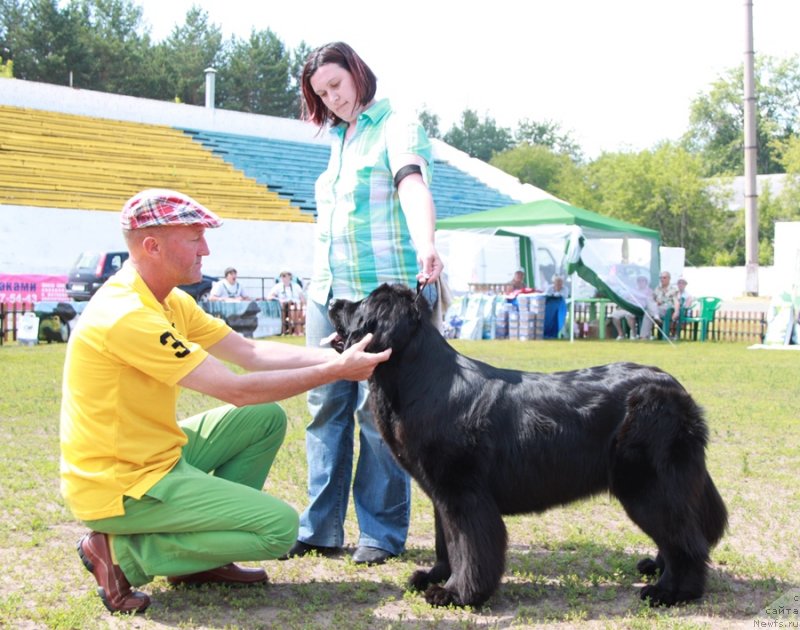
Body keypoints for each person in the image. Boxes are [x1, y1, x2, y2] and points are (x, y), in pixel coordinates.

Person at [60, 189, 391, 614]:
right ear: (152, 246)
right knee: (279, 529)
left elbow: (249, 354)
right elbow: (234, 388)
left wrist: (337, 355)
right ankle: (122, 556)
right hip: (120, 485)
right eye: (194, 237)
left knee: (264, 419)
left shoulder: (168, 299)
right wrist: (336, 371)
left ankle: (199, 561)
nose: (207, 248)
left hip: (152, 458)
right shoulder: (127, 314)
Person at [284, 41, 443, 567]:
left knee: (379, 416)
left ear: (357, 73)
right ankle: (320, 528)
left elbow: (410, 183)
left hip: (385, 302)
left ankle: (380, 532)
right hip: (329, 295)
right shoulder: (337, 138)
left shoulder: (396, 124)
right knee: (324, 408)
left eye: (337, 85)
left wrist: (427, 244)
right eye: (321, 93)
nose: (332, 99)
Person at [611, 275, 657, 340]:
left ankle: (634, 334)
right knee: (614, 315)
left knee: (629, 315)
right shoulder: (634, 289)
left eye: (642, 281)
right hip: (628, 307)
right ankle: (621, 334)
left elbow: (650, 301)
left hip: (638, 309)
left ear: (646, 282)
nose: (640, 282)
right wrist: (622, 306)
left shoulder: (649, 291)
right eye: (639, 281)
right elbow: (626, 298)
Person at [640, 270, 681, 339]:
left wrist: (676, 311)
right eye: (661, 278)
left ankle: (644, 335)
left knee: (648, 312)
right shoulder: (658, 288)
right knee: (648, 303)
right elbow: (652, 299)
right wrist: (655, 302)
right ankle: (644, 336)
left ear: (669, 278)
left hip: (667, 309)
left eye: (664, 278)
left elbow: (676, 301)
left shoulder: (673, 289)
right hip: (657, 308)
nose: (662, 279)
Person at [267, 270, 306, 335]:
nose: (283, 278)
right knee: (292, 309)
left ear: (290, 276)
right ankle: (296, 331)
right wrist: (279, 299)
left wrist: (304, 305)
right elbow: (269, 297)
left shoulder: (296, 286)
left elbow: (303, 299)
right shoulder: (278, 286)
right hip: (284, 306)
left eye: (284, 276)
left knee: (299, 310)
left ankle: (296, 331)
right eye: (281, 276)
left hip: (297, 305)